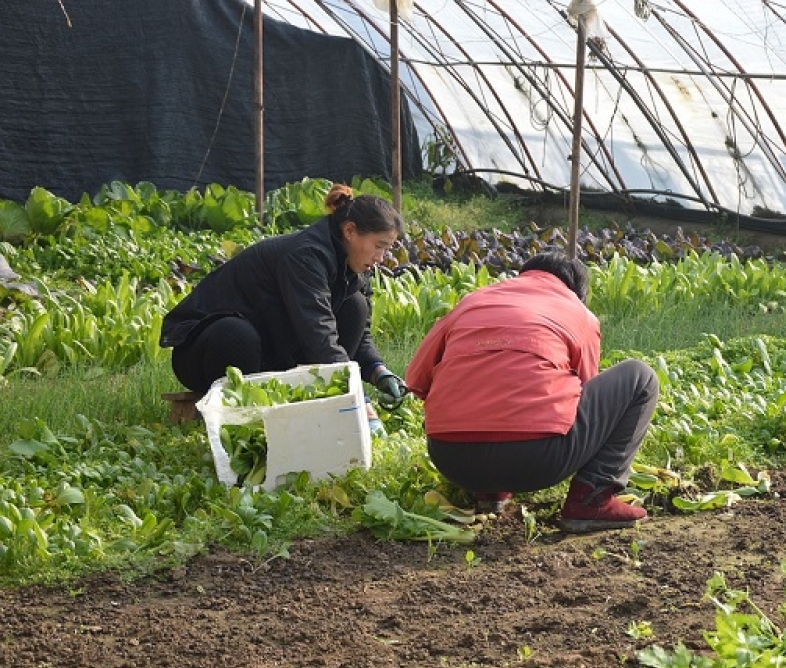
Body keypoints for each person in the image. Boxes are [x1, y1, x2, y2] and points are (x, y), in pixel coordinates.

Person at [403, 249, 659, 533]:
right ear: (577, 291)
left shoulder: (472, 302)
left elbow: (415, 379)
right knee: (641, 377)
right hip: (538, 461)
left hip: (451, 458)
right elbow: (586, 392)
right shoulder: (577, 312)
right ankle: (591, 500)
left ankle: (489, 492)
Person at [159, 184, 408, 422]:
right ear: (350, 231)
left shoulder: (356, 264)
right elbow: (318, 334)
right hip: (203, 351)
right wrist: (358, 400)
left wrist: (378, 371)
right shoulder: (305, 257)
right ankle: (239, 416)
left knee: (355, 306)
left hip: (270, 346)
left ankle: (315, 403)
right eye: (379, 246)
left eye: (386, 249)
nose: (381, 258)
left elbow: (360, 333)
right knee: (237, 334)